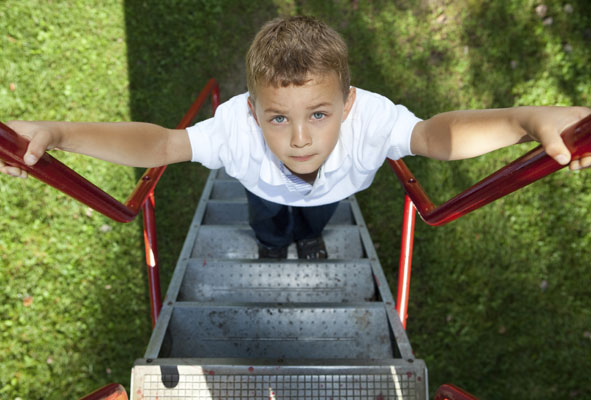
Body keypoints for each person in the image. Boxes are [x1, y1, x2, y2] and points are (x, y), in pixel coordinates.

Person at [2, 16, 590, 259]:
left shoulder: (371, 120)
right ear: (254, 113)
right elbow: (159, 145)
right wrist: (57, 135)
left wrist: (522, 121)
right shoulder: (235, 126)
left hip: (332, 197)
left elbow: (437, 135)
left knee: (317, 220)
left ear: (348, 105)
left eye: (320, 114)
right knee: (267, 221)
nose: (301, 138)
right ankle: (270, 242)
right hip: (263, 193)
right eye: (279, 118)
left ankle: (304, 240)